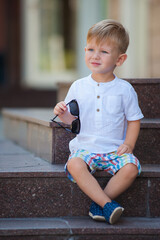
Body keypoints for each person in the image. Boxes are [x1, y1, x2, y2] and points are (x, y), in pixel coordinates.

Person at [53, 19, 144, 224]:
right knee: (75, 164)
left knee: (131, 167)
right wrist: (62, 113)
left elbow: (134, 120)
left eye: (104, 52)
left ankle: (100, 203)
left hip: (113, 150)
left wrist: (128, 144)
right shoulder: (78, 86)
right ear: (84, 50)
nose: (95, 55)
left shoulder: (124, 90)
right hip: (85, 148)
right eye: (91, 49)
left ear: (119, 60)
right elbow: (71, 120)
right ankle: (107, 204)